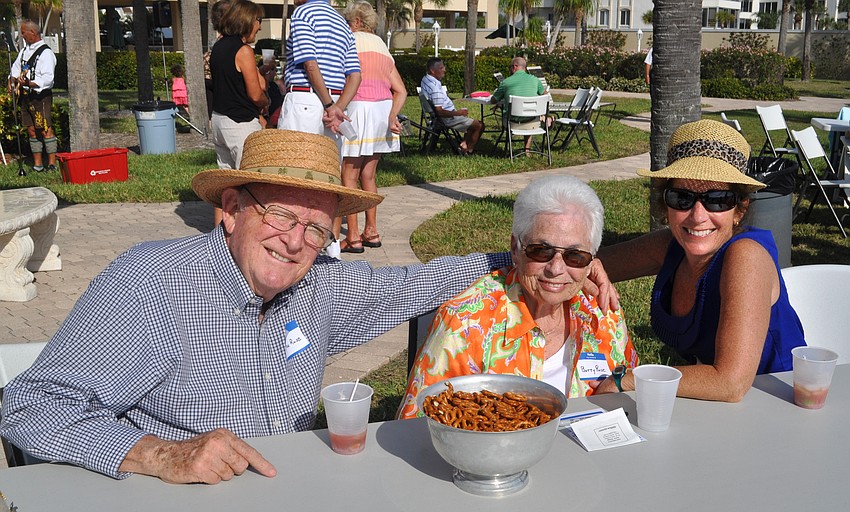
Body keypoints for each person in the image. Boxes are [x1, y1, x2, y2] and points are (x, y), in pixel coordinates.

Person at [0, 129, 519, 484]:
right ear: (230, 209)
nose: (295, 241)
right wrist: (161, 455)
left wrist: (534, 261)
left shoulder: (317, 286)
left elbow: (413, 284)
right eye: (278, 214)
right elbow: (31, 407)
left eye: (316, 228)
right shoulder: (153, 287)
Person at [593, 119, 806, 402]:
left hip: (776, 404)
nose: (697, 215)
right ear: (664, 205)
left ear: (739, 210)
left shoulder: (746, 257)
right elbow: (578, 264)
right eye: (682, 197)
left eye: (717, 199)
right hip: (711, 408)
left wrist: (627, 379)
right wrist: (583, 264)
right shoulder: (671, 246)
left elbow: (730, 383)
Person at [398, 175, 639, 419]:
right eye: (540, 251)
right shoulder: (465, 323)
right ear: (515, 249)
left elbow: (633, 397)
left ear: (592, 260)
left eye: (575, 256)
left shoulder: (603, 312)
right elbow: (416, 425)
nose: (556, 269)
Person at [335, 1, 407, 254]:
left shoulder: (349, 41)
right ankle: (372, 231)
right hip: (381, 111)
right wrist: (392, 116)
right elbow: (401, 90)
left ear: (355, 22)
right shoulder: (381, 46)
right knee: (369, 175)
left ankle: (352, 236)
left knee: (349, 176)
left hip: (357, 109)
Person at [209, 0, 270, 224]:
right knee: (250, 183)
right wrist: (266, 102)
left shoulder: (219, 47)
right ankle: (247, 233)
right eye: (258, 20)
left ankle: (220, 235)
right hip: (240, 123)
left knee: (227, 183)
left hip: (219, 120)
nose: (260, 26)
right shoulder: (243, 50)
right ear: (247, 20)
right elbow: (255, 94)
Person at [277, 0, 361, 138]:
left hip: (305, 100)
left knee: (295, 156)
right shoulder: (342, 23)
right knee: (328, 158)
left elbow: (310, 64)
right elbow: (355, 76)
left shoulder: (303, 13)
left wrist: (330, 106)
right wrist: (337, 108)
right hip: (335, 102)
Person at [7, 20, 58, 173]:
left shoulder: (46, 53)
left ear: (33, 33)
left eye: (23, 32)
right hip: (25, 96)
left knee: (44, 128)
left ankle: (51, 163)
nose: (21, 35)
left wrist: (31, 84)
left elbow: (48, 79)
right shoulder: (24, 51)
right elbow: (15, 69)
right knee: (31, 129)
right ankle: (37, 164)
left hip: (40, 96)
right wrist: (12, 80)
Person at [420, 57, 484, 156]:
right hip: (447, 118)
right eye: (441, 68)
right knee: (479, 125)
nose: (444, 70)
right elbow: (439, 111)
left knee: (471, 123)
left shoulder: (425, 79)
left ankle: (463, 144)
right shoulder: (435, 87)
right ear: (433, 71)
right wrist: (458, 113)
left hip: (439, 118)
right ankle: (468, 150)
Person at [490, 56, 545, 153]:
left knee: (513, 114)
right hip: (532, 123)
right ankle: (527, 150)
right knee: (529, 113)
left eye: (510, 67)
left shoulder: (506, 82)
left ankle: (510, 149)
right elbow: (545, 96)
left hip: (512, 123)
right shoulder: (535, 80)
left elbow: (493, 100)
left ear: (515, 67)